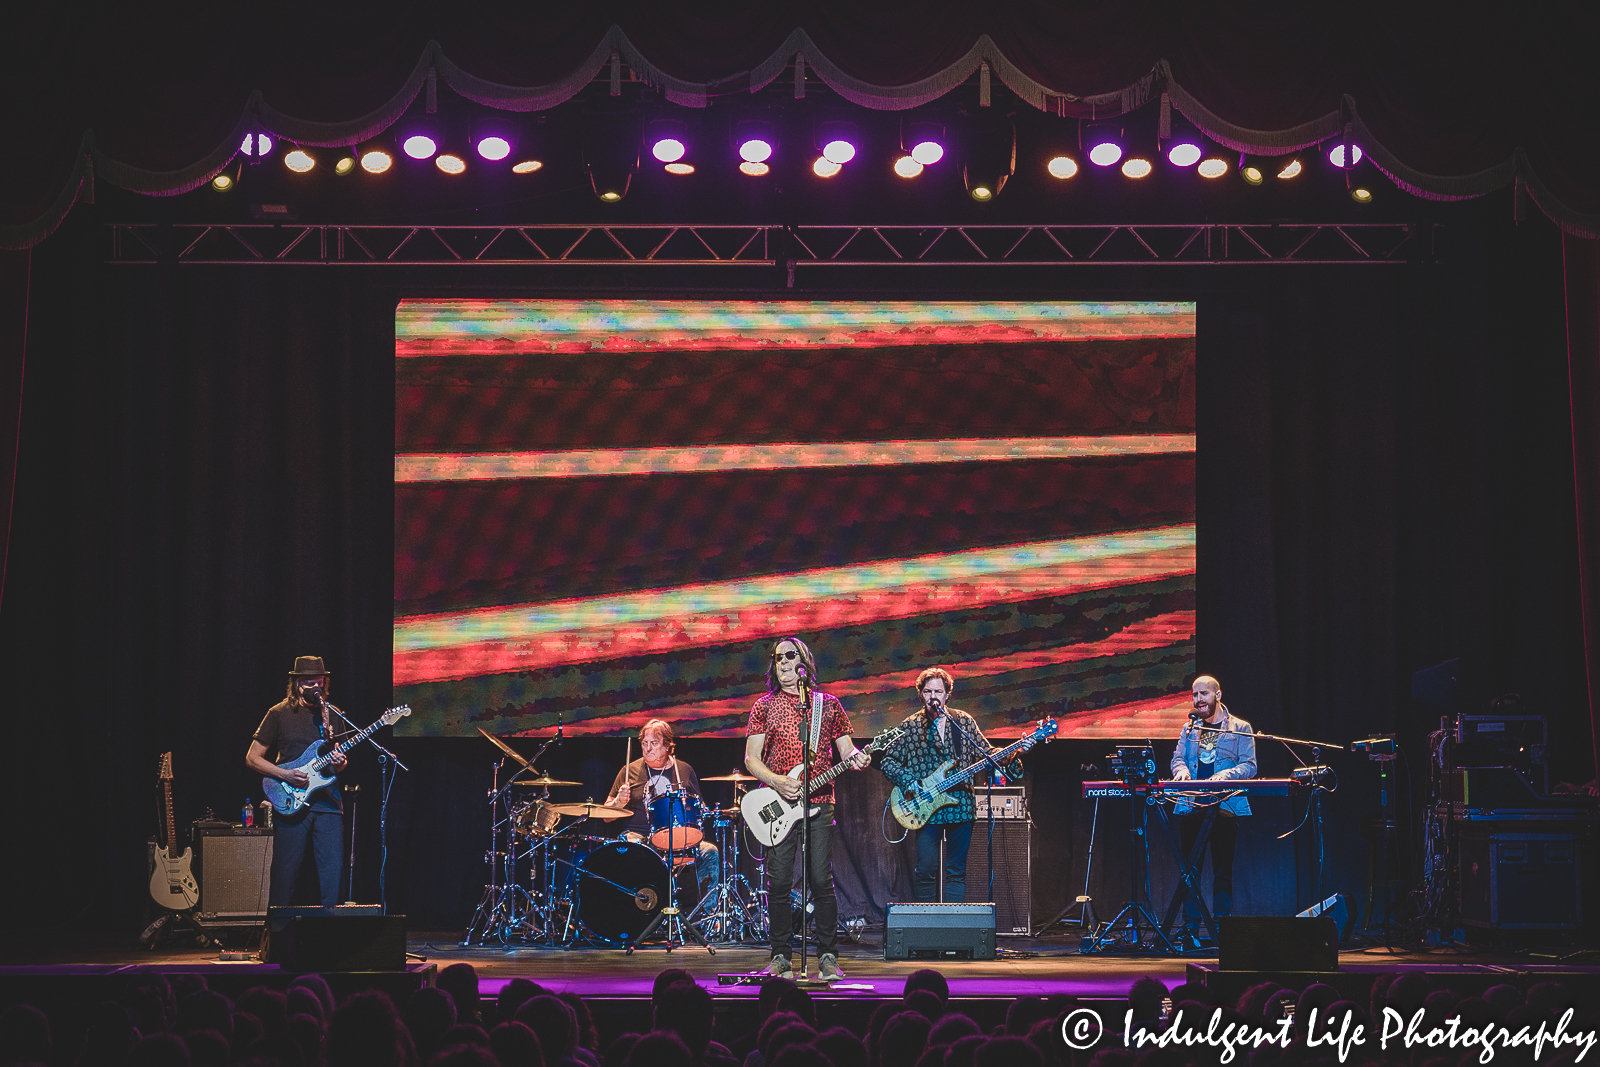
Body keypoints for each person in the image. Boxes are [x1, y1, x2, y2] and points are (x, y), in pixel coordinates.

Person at [744, 636, 873, 981]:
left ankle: (828, 956)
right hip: (779, 804)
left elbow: (846, 750)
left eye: (790, 655)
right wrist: (776, 781)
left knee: (821, 880)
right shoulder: (763, 706)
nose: (783, 662)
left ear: (804, 661)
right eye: (777, 658)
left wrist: (856, 759)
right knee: (779, 882)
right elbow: (751, 759)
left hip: (820, 802)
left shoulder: (826, 705)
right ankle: (780, 956)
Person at [878, 668, 1022, 904]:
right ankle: (927, 927)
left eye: (938, 691)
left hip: (961, 805)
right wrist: (909, 781)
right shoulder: (910, 725)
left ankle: (951, 925)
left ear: (947, 695)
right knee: (925, 870)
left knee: (957, 871)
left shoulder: (963, 721)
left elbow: (986, 752)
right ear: (920, 695)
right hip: (925, 807)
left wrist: (1011, 754)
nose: (933, 696)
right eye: (927, 691)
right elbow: (888, 762)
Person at [245, 655, 347, 907]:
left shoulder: (333, 715)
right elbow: (252, 758)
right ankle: (279, 938)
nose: (313, 687)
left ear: (325, 682)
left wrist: (341, 763)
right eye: (306, 682)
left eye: (318, 682)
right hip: (290, 799)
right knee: (285, 873)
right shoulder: (279, 714)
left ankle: (329, 934)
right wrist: (285, 774)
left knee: (332, 872)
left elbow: (337, 764)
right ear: (296, 683)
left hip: (328, 802)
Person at [1169, 674, 1256, 945]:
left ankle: (1221, 928)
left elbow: (1250, 766)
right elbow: (1178, 759)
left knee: (1222, 870)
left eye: (1203, 694)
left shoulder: (1240, 727)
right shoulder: (1189, 729)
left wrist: (1227, 775)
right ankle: (1191, 928)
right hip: (1193, 805)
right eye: (1195, 695)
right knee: (1190, 871)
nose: (1198, 700)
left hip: (1224, 807)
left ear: (1217, 695)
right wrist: (1181, 771)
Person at [604, 718, 719, 899]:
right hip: (639, 836)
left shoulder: (684, 770)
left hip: (679, 839)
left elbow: (700, 807)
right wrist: (618, 803)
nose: (647, 749)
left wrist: (697, 810)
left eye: (654, 744)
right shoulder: (629, 771)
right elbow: (606, 815)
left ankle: (706, 917)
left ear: (667, 746)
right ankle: (637, 913)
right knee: (630, 848)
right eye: (644, 743)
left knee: (709, 851)